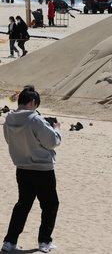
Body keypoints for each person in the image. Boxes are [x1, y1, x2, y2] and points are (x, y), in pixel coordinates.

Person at [2, 86, 61, 253]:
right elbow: (52, 142)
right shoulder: (35, 119)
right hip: (42, 169)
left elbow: (10, 141)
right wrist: (56, 128)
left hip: (22, 168)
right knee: (50, 205)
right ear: (33, 102)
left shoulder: (9, 119)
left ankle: (9, 242)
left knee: (23, 205)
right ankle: (44, 242)